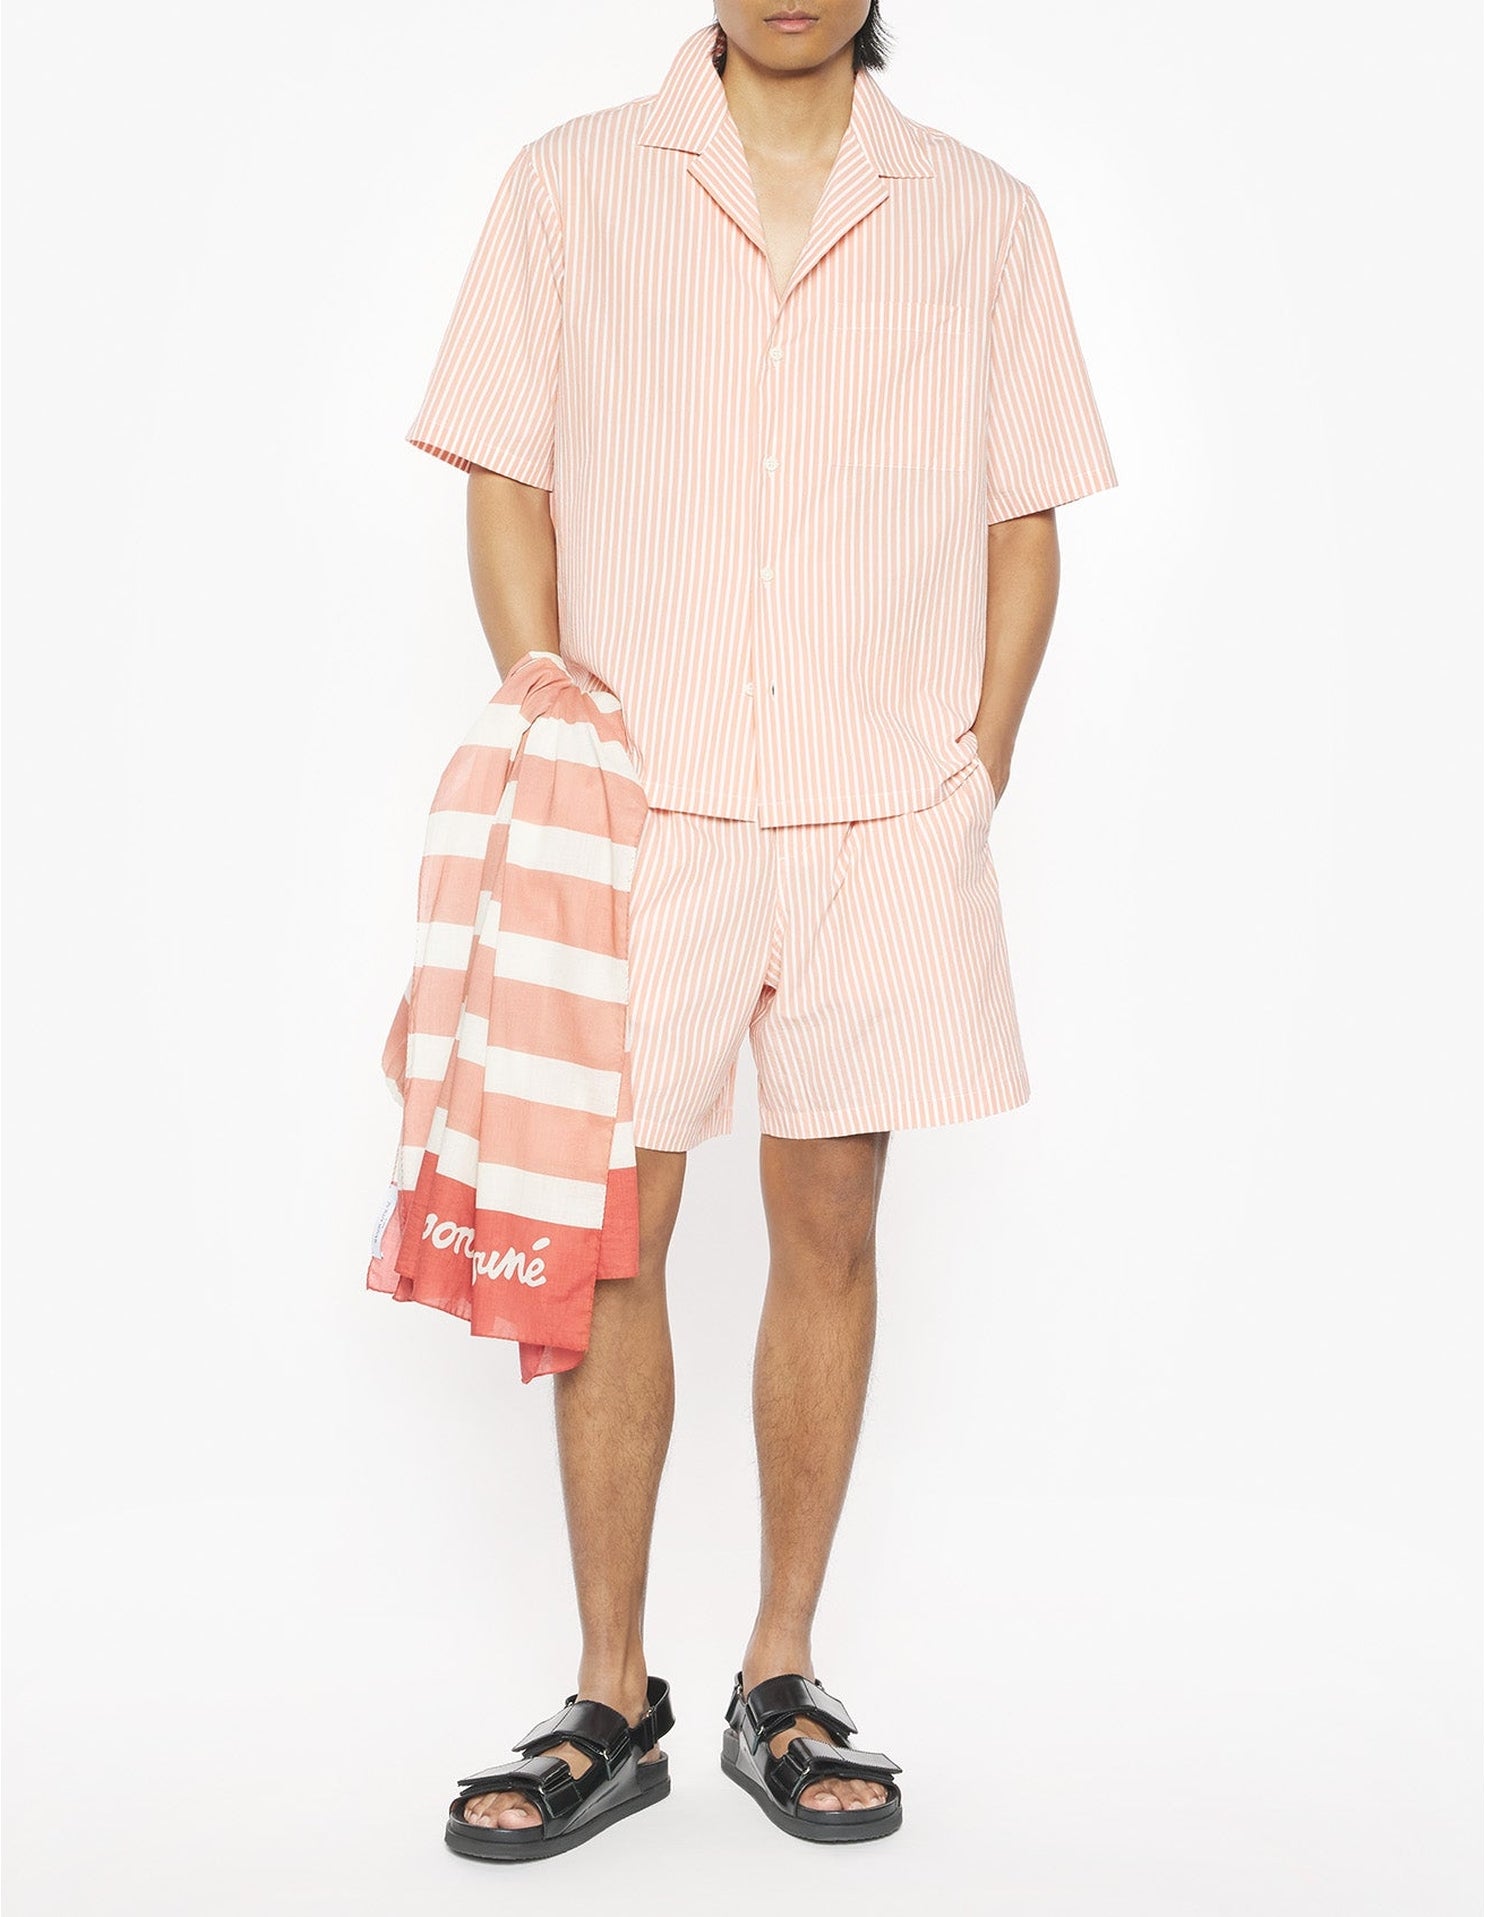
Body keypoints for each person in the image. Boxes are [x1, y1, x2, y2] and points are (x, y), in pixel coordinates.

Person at [403, 2, 1117, 1857]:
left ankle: (778, 1673)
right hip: (643, 806)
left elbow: (1024, 519)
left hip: (882, 812)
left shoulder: (980, 213)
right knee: (610, 1243)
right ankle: (609, 1693)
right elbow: (503, 473)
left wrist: (977, 762)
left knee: (833, 1224)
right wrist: (555, 725)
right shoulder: (569, 186)